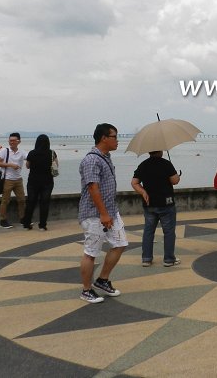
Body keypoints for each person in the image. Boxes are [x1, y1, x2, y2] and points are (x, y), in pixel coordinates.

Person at [78, 123, 128, 304]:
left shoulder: (105, 157)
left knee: (120, 243)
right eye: (114, 137)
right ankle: (86, 290)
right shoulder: (92, 160)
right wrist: (103, 214)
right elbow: (93, 187)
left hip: (111, 212)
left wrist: (109, 213)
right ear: (103, 138)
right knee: (91, 252)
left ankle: (102, 280)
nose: (117, 140)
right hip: (95, 214)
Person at [132, 151, 181, 267]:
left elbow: (134, 182)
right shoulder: (166, 164)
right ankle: (169, 259)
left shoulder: (143, 165)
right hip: (166, 203)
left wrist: (143, 191)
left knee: (148, 232)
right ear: (160, 151)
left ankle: (146, 259)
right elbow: (175, 181)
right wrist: (177, 176)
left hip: (149, 204)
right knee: (169, 232)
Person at [23, 134, 55, 231]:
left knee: (31, 202)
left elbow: (27, 166)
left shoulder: (32, 153)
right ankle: (42, 225)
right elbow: (56, 165)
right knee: (44, 203)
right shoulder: (52, 153)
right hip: (47, 182)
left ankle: (27, 224)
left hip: (33, 181)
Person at [0, 132, 27, 229]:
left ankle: (23, 219)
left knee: (22, 200)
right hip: (7, 179)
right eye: (10, 140)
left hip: (18, 180)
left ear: (19, 141)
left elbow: (30, 158)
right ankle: (2, 220)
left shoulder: (22, 152)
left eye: (14, 140)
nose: (11, 142)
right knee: (5, 201)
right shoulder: (4, 151)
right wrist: (10, 165)